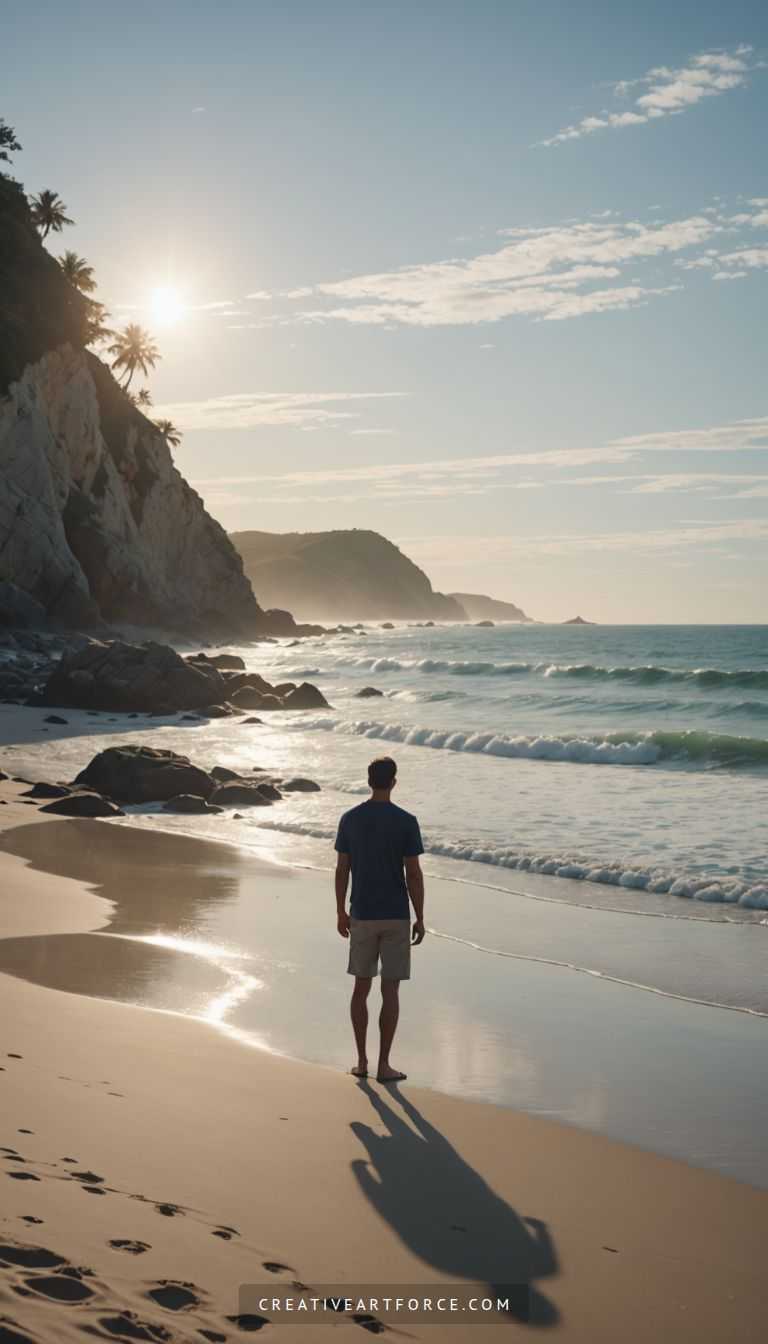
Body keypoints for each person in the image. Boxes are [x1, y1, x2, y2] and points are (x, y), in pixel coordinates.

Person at [335, 756, 425, 1083]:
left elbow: (342, 869)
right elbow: (413, 874)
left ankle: (361, 1061)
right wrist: (421, 916)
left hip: (362, 912)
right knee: (391, 992)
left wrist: (340, 911)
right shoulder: (406, 821)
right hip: (396, 915)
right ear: (394, 781)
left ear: (369, 779)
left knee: (361, 988)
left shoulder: (350, 819)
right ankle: (384, 1065)